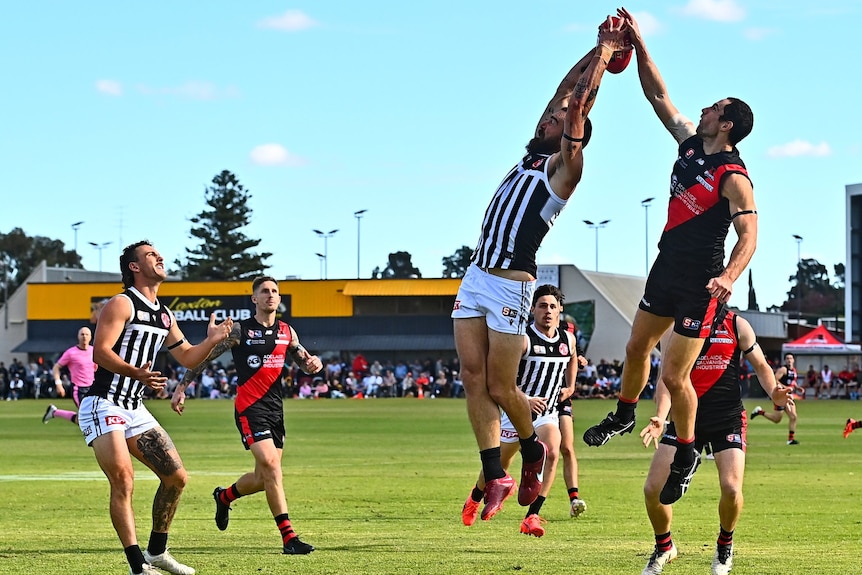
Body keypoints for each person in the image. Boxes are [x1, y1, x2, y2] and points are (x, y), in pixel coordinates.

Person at [451, 17, 629, 520]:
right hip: (477, 274)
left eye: (555, 120)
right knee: (472, 376)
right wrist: (596, 47)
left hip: (511, 285)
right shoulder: (532, 153)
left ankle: (531, 452)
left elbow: (576, 104)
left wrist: (604, 59)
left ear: (571, 135)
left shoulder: (564, 170)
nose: (546, 118)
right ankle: (495, 471)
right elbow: (563, 93)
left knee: (503, 387)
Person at [582, 8, 757, 506]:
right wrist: (637, 43)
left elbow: (749, 235)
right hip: (666, 268)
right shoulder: (688, 146)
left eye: (712, 108)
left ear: (725, 124)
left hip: (701, 282)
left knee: (675, 376)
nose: (701, 110)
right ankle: (622, 412)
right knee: (637, 349)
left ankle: (684, 453)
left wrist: (728, 276)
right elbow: (658, 95)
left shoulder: (734, 175)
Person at [78, 240, 233, 575]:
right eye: (151, 255)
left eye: (159, 254)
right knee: (124, 480)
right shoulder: (121, 304)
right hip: (103, 401)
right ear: (134, 266)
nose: (160, 257)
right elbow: (100, 352)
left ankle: (157, 553)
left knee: (176, 477)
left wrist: (212, 340)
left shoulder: (164, 315)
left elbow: (188, 356)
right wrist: (137, 373)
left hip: (133, 406)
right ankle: (138, 567)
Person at [172, 275, 321, 556]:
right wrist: (182, 387)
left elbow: (306, 362)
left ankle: (224, 496)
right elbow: (204, 357)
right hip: (249, 408)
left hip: (275, 410)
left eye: (274, 291)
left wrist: (316, 363)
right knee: (272, 468)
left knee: (264, 477)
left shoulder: (288, 332)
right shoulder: (240, 331)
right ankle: (289, 538)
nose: (270, 295)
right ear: (254, 299)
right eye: (264, 291)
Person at [638, 308, 790, 575]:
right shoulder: (676, 327)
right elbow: (666, 379)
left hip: (726, 418)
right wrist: (661, 416)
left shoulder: (737, 325)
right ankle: (664, 547)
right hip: (686, 417)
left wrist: (774, 394)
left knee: (731, 489)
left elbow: (762, 366)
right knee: (653, 489)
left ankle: (724, 546)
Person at [461, 285, 578, 537]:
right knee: (500, 462)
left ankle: (532, 516)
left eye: (552, 306)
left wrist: (570, 386)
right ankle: (475, 497)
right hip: (517, 410)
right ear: (532, 309)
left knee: (553, 450)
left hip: (546, 412)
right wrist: (524, 399)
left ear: (560, 310)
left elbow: (573, 358)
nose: (547, 311)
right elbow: (502, 379)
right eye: (542, 306)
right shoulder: (522, 339)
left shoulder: (568, 338)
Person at [557, 320, 589, 518]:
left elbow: (578, 354)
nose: (550, 310)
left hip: (562, 397)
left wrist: (582, 359)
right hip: (534, 398)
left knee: (567, 448)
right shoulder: (530, 330)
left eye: (554, 304)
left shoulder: (570, 330)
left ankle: (574, 499)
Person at [43, 326, 96, 425]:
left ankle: (54, 412)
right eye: (82, 334)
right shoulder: (71, 353)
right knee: (88, 417)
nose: (84, 336)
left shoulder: (94, 351)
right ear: (78, 336)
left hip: (94, 388)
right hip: (79, 389)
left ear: (91, 337)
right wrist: (58, 384)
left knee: (90, 417)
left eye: (87, 334)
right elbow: (56, 367)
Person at [751, 352, 801, 445]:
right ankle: (759, 411)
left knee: (793, 417)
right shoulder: (783, 369)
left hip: (789, 397)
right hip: (780, 397)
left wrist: (798, 388)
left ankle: (790, 439)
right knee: (776, 419)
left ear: (793, 360)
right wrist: (784, 388)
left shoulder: (793, 370)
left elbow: (792, 382)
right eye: (787, 358)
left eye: (791, 358)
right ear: (785, 360)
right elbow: (774, 379)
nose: (789, 360)